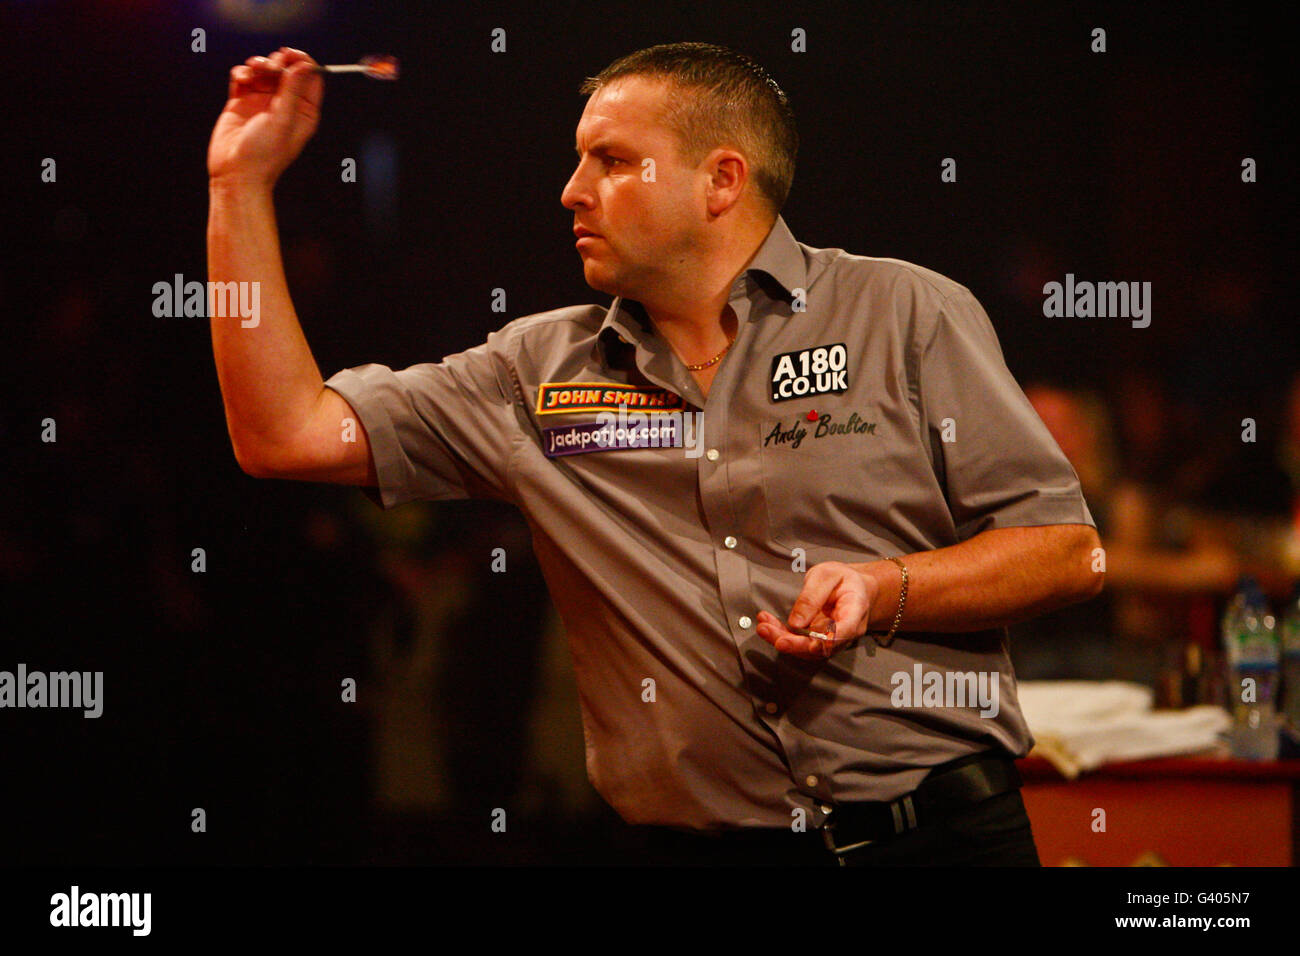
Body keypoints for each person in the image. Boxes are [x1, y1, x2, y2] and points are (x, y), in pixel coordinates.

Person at [207, 41, 1103, 866]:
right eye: (577, 158)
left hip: (941, 839)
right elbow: (283, 434)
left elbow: (1069, 552)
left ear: (722, 181)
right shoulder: (532, 373)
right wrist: (239, 188)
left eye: (613, 161)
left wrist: (884, 588)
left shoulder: (904, 313)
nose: (571, 189)